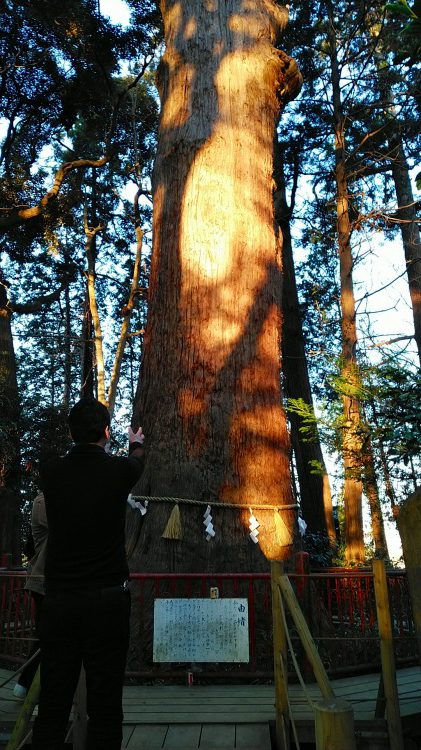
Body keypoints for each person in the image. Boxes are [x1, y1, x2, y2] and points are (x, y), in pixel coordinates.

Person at [31, 397, 145, 750]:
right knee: (106, 700)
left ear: (70, 432)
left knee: (53, 698)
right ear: (106, 433)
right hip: (107, 602)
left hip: (60, 600)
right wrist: (136, 443)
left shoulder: (51, 472)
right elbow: (135, 462)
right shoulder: (119, 472)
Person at [13, 492, 47, 699]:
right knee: (46, 635)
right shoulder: (42, 501)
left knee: (47, 635)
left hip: (50, 580)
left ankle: (26, 684)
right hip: (44, 581)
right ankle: (26, 684)